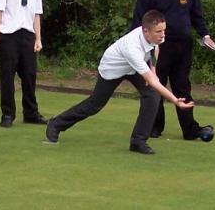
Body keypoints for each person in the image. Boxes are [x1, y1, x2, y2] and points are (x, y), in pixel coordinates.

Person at [45, 10, 194, 154]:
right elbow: (153, 82)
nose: (162, 35)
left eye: (164, 30)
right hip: (112, 69)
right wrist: (175, 100)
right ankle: (56, 124)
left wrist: (153, 70)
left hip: (134, 67)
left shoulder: (157, 36)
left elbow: (154, 50)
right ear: (145, 31)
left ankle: (138, 141)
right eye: (159, 32)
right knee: (95, 105)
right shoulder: (132, 47)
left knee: (152, 96)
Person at [131, 0, 215, 140]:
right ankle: (154, 127)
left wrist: (205, 34)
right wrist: (138, 47)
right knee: (155, 86)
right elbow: (139, 21)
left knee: (182, 87)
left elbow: (197, 13)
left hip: (183, 47)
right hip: (157, 48)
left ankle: (190, 130)